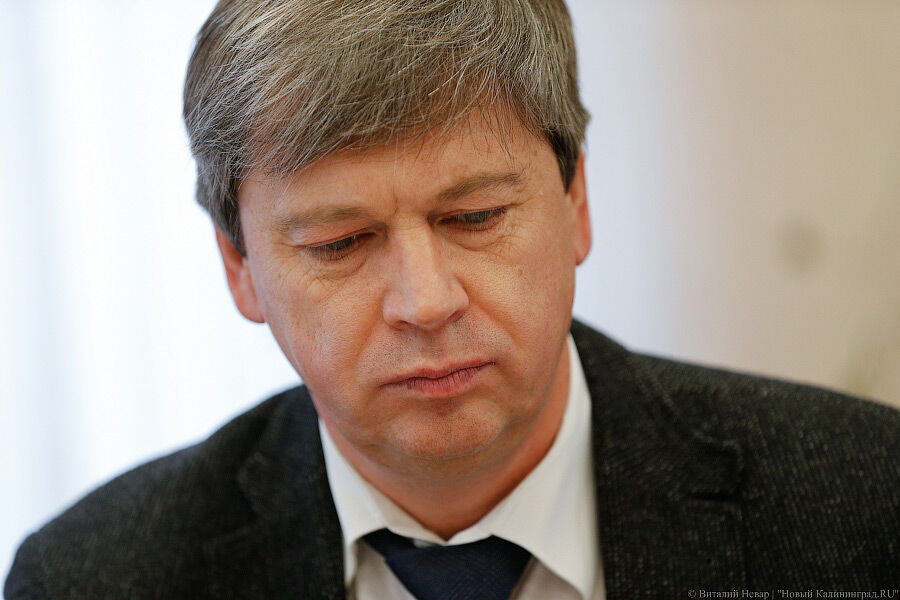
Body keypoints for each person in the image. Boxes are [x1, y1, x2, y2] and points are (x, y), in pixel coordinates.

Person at [6, 0, 899, 598]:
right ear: (239, 268)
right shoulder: (95, 579)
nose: (426, 303)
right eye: (339, 243)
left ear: (578, 203)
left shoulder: (864, 508)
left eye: (475, 217)